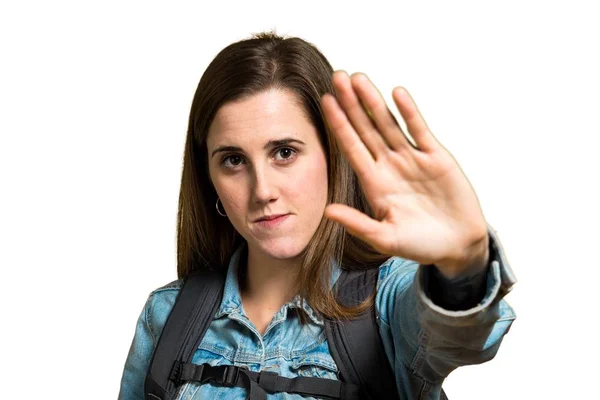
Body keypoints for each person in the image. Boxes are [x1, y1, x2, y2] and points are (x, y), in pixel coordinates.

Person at [118, 31, 517, 399]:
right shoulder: (168, 316)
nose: (263, 191)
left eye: (284, 152)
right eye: (234, 160)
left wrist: (463, 264)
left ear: (332, 156)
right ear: (209, 179)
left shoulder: (386, 305)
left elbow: (461, 336)